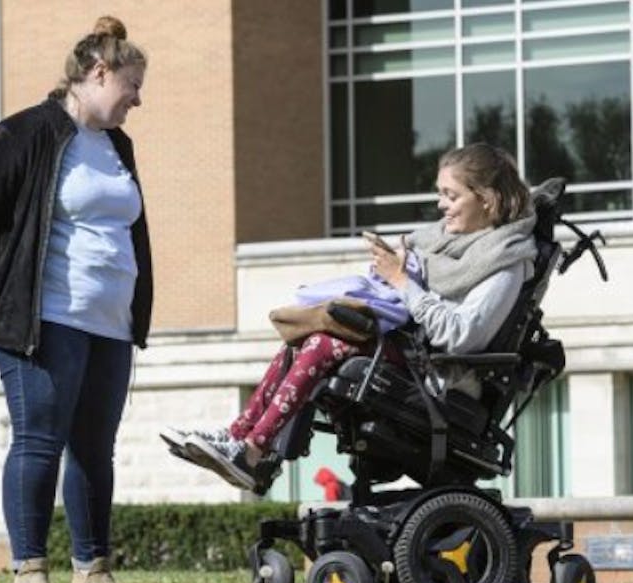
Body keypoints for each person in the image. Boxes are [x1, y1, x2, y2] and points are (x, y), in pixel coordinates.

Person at [163, 143, 537, 491]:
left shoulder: (505, 262)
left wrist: (402, 280)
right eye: (440, 193)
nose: (441, 205)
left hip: (440, 372)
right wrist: (394, 276)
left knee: (324, 344)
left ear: (487, 199)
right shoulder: (442, 243)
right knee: (305, 336)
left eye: (451, 196)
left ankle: (253, 452)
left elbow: (461, 337)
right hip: (411, 352)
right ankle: (240, 440)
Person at [0, 16, 152, 583]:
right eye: (132, 86)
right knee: (39, 440)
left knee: (95, 449)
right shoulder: (25, 134)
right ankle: (29, 576)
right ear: (98, 73)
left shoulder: (118, 145)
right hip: (46, 320)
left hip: (109, 322)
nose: (137, 100)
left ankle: (92, 574)